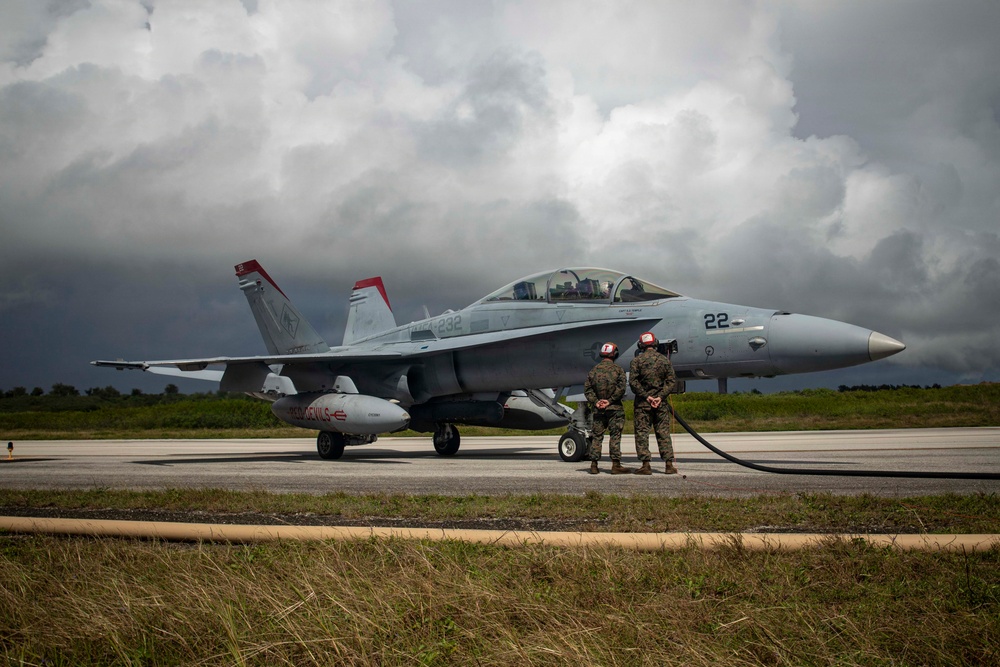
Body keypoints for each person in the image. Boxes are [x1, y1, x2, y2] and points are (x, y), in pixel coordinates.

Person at [628, 332, 678, 475]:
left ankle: (645, 465)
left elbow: (633, 383)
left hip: (643, 405)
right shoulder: (664, 360)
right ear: (655, 343)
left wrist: (647, 397)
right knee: (663, 433)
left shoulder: (636, 361)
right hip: (660, 404)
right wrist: (660, 397)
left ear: (641, 345)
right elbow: (671, 382)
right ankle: (669, 465)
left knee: (642, 433)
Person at [584, 342, 630, 474]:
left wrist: (597, 402)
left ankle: (594, 465)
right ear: (614, 354)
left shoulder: (593, 371)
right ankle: (616, 465)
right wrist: (609, 401)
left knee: (597, 436)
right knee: (615, 435)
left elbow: (587, 390)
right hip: (615, 409)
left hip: (599, 410)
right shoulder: (618, 370)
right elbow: (621, 389)